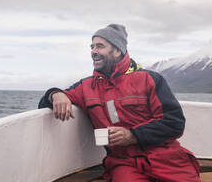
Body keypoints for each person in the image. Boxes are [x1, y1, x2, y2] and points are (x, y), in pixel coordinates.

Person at [38, 24, 200, 182]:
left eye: (99, 46)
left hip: (166, 158)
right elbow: (44, 103)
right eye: (92, 47)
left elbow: (174, 123)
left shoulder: (149, 79)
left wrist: (132, 135)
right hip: (124, 163)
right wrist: (55, 94)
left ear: (117, 50)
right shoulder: (86, 86)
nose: (93, 52)